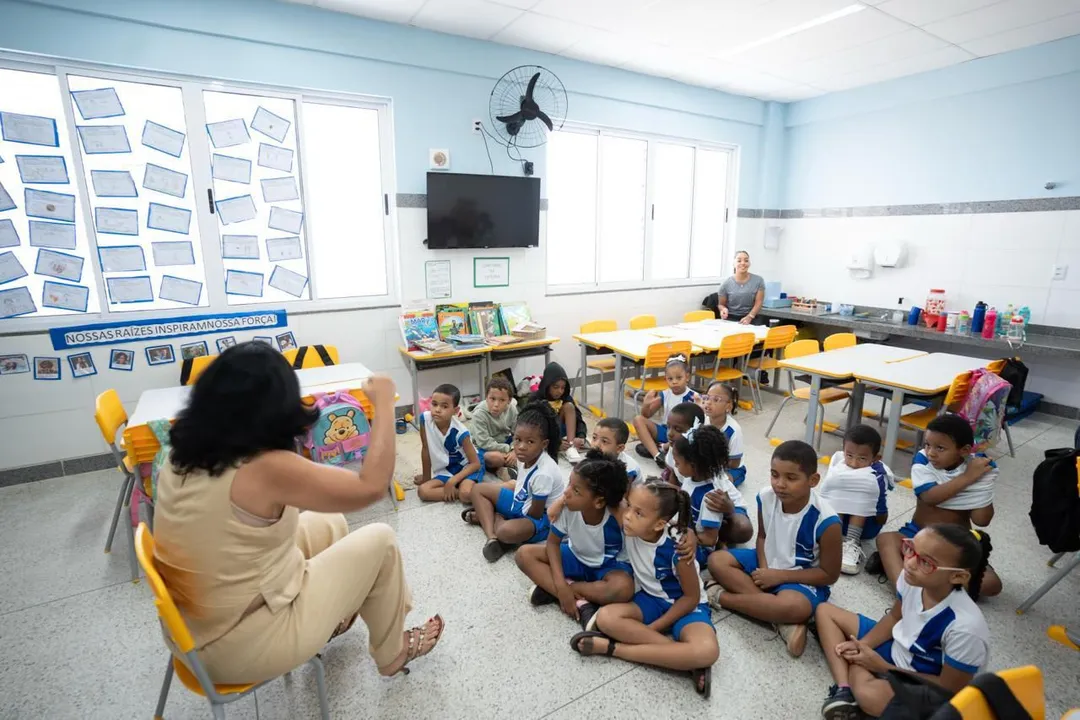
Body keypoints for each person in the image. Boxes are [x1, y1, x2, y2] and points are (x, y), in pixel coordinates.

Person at [153, 343, 443, 685]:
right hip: (239, 646)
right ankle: (392, 653)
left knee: (330, 521)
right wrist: (382, 404)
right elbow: (371, 486)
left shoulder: (181, 453)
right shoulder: (263, 467)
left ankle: (330, 620)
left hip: (196, 629)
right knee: (380, 539)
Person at [815, 525, 992, 720]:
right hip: (897, 649)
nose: (909, 563)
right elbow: (895, 617)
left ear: (958, 576)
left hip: (924, 683)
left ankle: (859, 682)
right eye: (910, 549)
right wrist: (863, 645)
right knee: (825, 612)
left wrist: (882, 667)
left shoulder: (965, 628)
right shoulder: (913, 580)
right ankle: (845, 689)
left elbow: (950, 689)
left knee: (868, 694)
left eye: (925, 562)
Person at [570, 481, 718, 698]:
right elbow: (605, 482)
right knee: (607, 617)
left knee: (708, 651)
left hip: (686, 607)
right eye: (629, 506)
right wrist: (558, 505)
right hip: (650, 599)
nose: (628, 515)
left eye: (638, 513)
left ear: (659, 524)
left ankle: (613, 649)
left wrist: (657, 626)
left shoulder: (678, 548)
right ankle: (682, 659)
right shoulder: (629, 522)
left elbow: (691, 597)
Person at [707, 440, 842, 658]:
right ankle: (781, 621)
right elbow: (762, 536)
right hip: (768, 561)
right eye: (774, 474)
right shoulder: (765, 496)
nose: (779, 484)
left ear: (813, 480)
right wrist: (764, 569)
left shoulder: (827, 521)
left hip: (801, 577)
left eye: (791, 478)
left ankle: (719, 596)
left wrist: (778, 576)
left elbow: (829, 575)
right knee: (717, 561)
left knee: (795, 607)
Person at [871, 414, 1002, 598]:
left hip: (955, 543)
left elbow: (981, 520)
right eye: (927, 444)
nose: (931, 452)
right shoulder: (924, 461)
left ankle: (920, 578)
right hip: (918, 534)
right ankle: (907, 592)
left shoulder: (977, 468)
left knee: (992, 584)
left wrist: (982, 483)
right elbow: (929, 497)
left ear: (964, 450)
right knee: (886, 540)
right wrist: (967, 478)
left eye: (940, 448)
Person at [517, 451, 634, 632]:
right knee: (524, 555)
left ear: (599, 501)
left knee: (624, 588)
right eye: (569, 484)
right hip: (575, 556)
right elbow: (553, 544)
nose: (566, 492)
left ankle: (557, 591)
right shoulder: (568, 508)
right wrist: (561, 585)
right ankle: (583, 604)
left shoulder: (617, 517)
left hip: (608, 567)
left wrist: (564, 587)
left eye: (576, 490)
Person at [464, 401, 565, 562]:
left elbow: (535, 513)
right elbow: (521, 489)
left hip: (542, 518)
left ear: (544, 444)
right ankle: (492, 537)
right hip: (522, 502)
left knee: (506, 531)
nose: (521, 447)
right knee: (478, 490)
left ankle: (493, 518)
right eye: (517, 440)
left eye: (530, 442)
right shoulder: (522, 456)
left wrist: (508, 514)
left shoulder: (544, 473)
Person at [817, 425, 894, 576]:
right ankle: (833, 541)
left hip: (865, 526)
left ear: (876, 458)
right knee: (837, 500)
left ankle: (851, 544)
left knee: (860, 499)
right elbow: (826, 498)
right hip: (835, 522)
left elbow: (881, 514)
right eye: (849, 455)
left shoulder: (876, 475)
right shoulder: (838, 465)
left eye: (862, 458)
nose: (853, 463)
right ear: (843, 450)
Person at [671, 423, 752, 562]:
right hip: (692, 530)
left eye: (677, 463)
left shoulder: (710, 498)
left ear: (693, 465)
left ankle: (722, 546)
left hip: (701, 547)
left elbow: (709, 539)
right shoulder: (691, 478)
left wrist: (678, 534)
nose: (675, 466)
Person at [415, 383, 483, 504]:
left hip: (468, 467)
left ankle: (481, 490)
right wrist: (426, 478)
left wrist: (452, 481)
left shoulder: (461, 432)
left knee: (466, 495)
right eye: (434, 404)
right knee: (423, 491)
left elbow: (475, 464)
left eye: (444, 406)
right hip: (447, 470)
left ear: (455, 411)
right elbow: (425, 449)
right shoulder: (424, 420)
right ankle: (459, 490)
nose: (437, 409)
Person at [634, 356, 697, 467]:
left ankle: (662, 448)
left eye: (679, 378)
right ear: (665, 379)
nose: (675, 382)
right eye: (670, 379)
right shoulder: (665, 394)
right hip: (666, 431)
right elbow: (646, 415)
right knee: (638, 419)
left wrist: (669, 443)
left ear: (687, 377)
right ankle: (658, 455)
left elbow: (695, 427)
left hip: (682, 435)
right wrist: (646, 404)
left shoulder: (693, 397)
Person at [531, 362, 587, 461]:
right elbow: (531, 426)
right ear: (547, 385)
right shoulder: (535, 398)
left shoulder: (565, 397)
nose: (559, 391)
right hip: (544, 433)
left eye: (562, 388)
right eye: (555, 387)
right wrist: (554, 443)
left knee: (569, 406)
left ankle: (570, 447)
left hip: (561, 430)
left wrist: (581, 436)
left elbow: (579, 419)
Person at [469, 376, 519, 480]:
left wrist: (514, 449)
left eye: (502, 400)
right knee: (496, 458)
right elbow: (484, 442)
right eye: (492, 399)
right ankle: (499, 468)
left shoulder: (512, 410)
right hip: (482, 448)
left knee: (528, 444)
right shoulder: (479, 414)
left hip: (504, 441)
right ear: (486, 397)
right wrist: (508, 449)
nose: (496, 404)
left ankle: (509, 464)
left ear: (509, 400)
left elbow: (518, 433)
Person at [701, 381, 747, 486]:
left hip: (731, 468)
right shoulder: (702, 420)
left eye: (716, 400)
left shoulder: (733, 430)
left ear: (729, 406)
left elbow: (735, 463)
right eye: (707, 398)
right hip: (708, 463)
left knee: (724, 482)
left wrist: (712, 465)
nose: (708, 402)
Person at [658, 402, 706, 483]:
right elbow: (672, 472)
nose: (669, 433)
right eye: (668, 427)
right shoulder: (673, 447)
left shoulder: (698, 461)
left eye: (678, 430)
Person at [717, 250, 765, 325]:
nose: (743, 263)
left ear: (749, 263)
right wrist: (723, 309)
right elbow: (721, 304)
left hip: (752, 317)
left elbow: (759, 302)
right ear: (733, 264)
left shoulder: (758, 280)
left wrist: (750, 317)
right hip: (731, 319)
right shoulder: (726, 283)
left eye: (746, 260)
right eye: (739, 261)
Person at [590, 417, 641, 482]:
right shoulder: (597, 456)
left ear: (619, 448)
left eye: (604, 441)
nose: (596, 444)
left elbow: (621, 492)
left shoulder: (628, 470)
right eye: (594, 438)